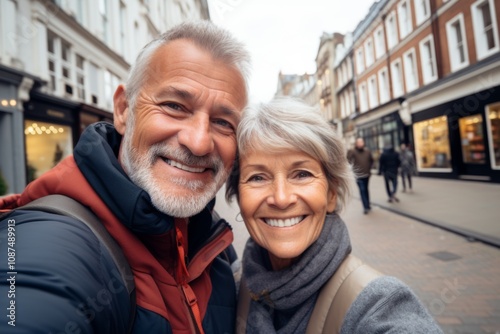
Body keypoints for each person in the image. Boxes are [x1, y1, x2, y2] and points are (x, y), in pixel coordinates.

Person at [0, 21, 250, 333]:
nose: (199, 142)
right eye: (174, 106)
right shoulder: (52, 243)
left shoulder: (209, 238)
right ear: (123, 110)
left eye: (223, 122)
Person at [225, 97, 443, 334]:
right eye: (257, 177)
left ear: (331, 194)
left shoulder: (379, 305)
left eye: (302, 174)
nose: (281, 198)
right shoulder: (234, 286)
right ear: (239, 196)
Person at [347, 137, 374, 214]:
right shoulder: (353, 151)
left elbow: (372, 160)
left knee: (366, 189)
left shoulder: (367, 151)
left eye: (361, 142)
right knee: (362, 190)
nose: (360, 143)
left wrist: (369, 168)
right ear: (356, 143)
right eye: (358, 142)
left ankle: (368, 205)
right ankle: (365, 207)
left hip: (367, 174)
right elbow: (348, 159)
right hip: (359, 176)